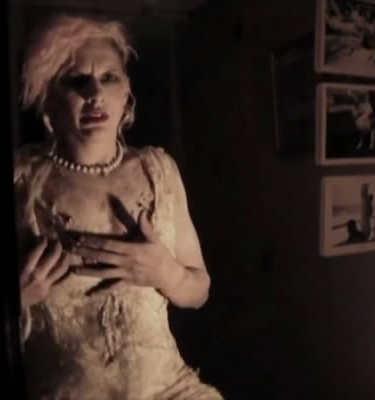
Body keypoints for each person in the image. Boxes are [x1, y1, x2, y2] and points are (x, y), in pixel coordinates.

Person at [13, 14, 223, 400]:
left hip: (170, 390)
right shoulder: (21, 180)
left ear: (127, 91)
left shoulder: (158, 169)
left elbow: (199, 291)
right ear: (48, 96)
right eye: (76, 80)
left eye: (109, 77)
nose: (95, 93)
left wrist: (166, 272)